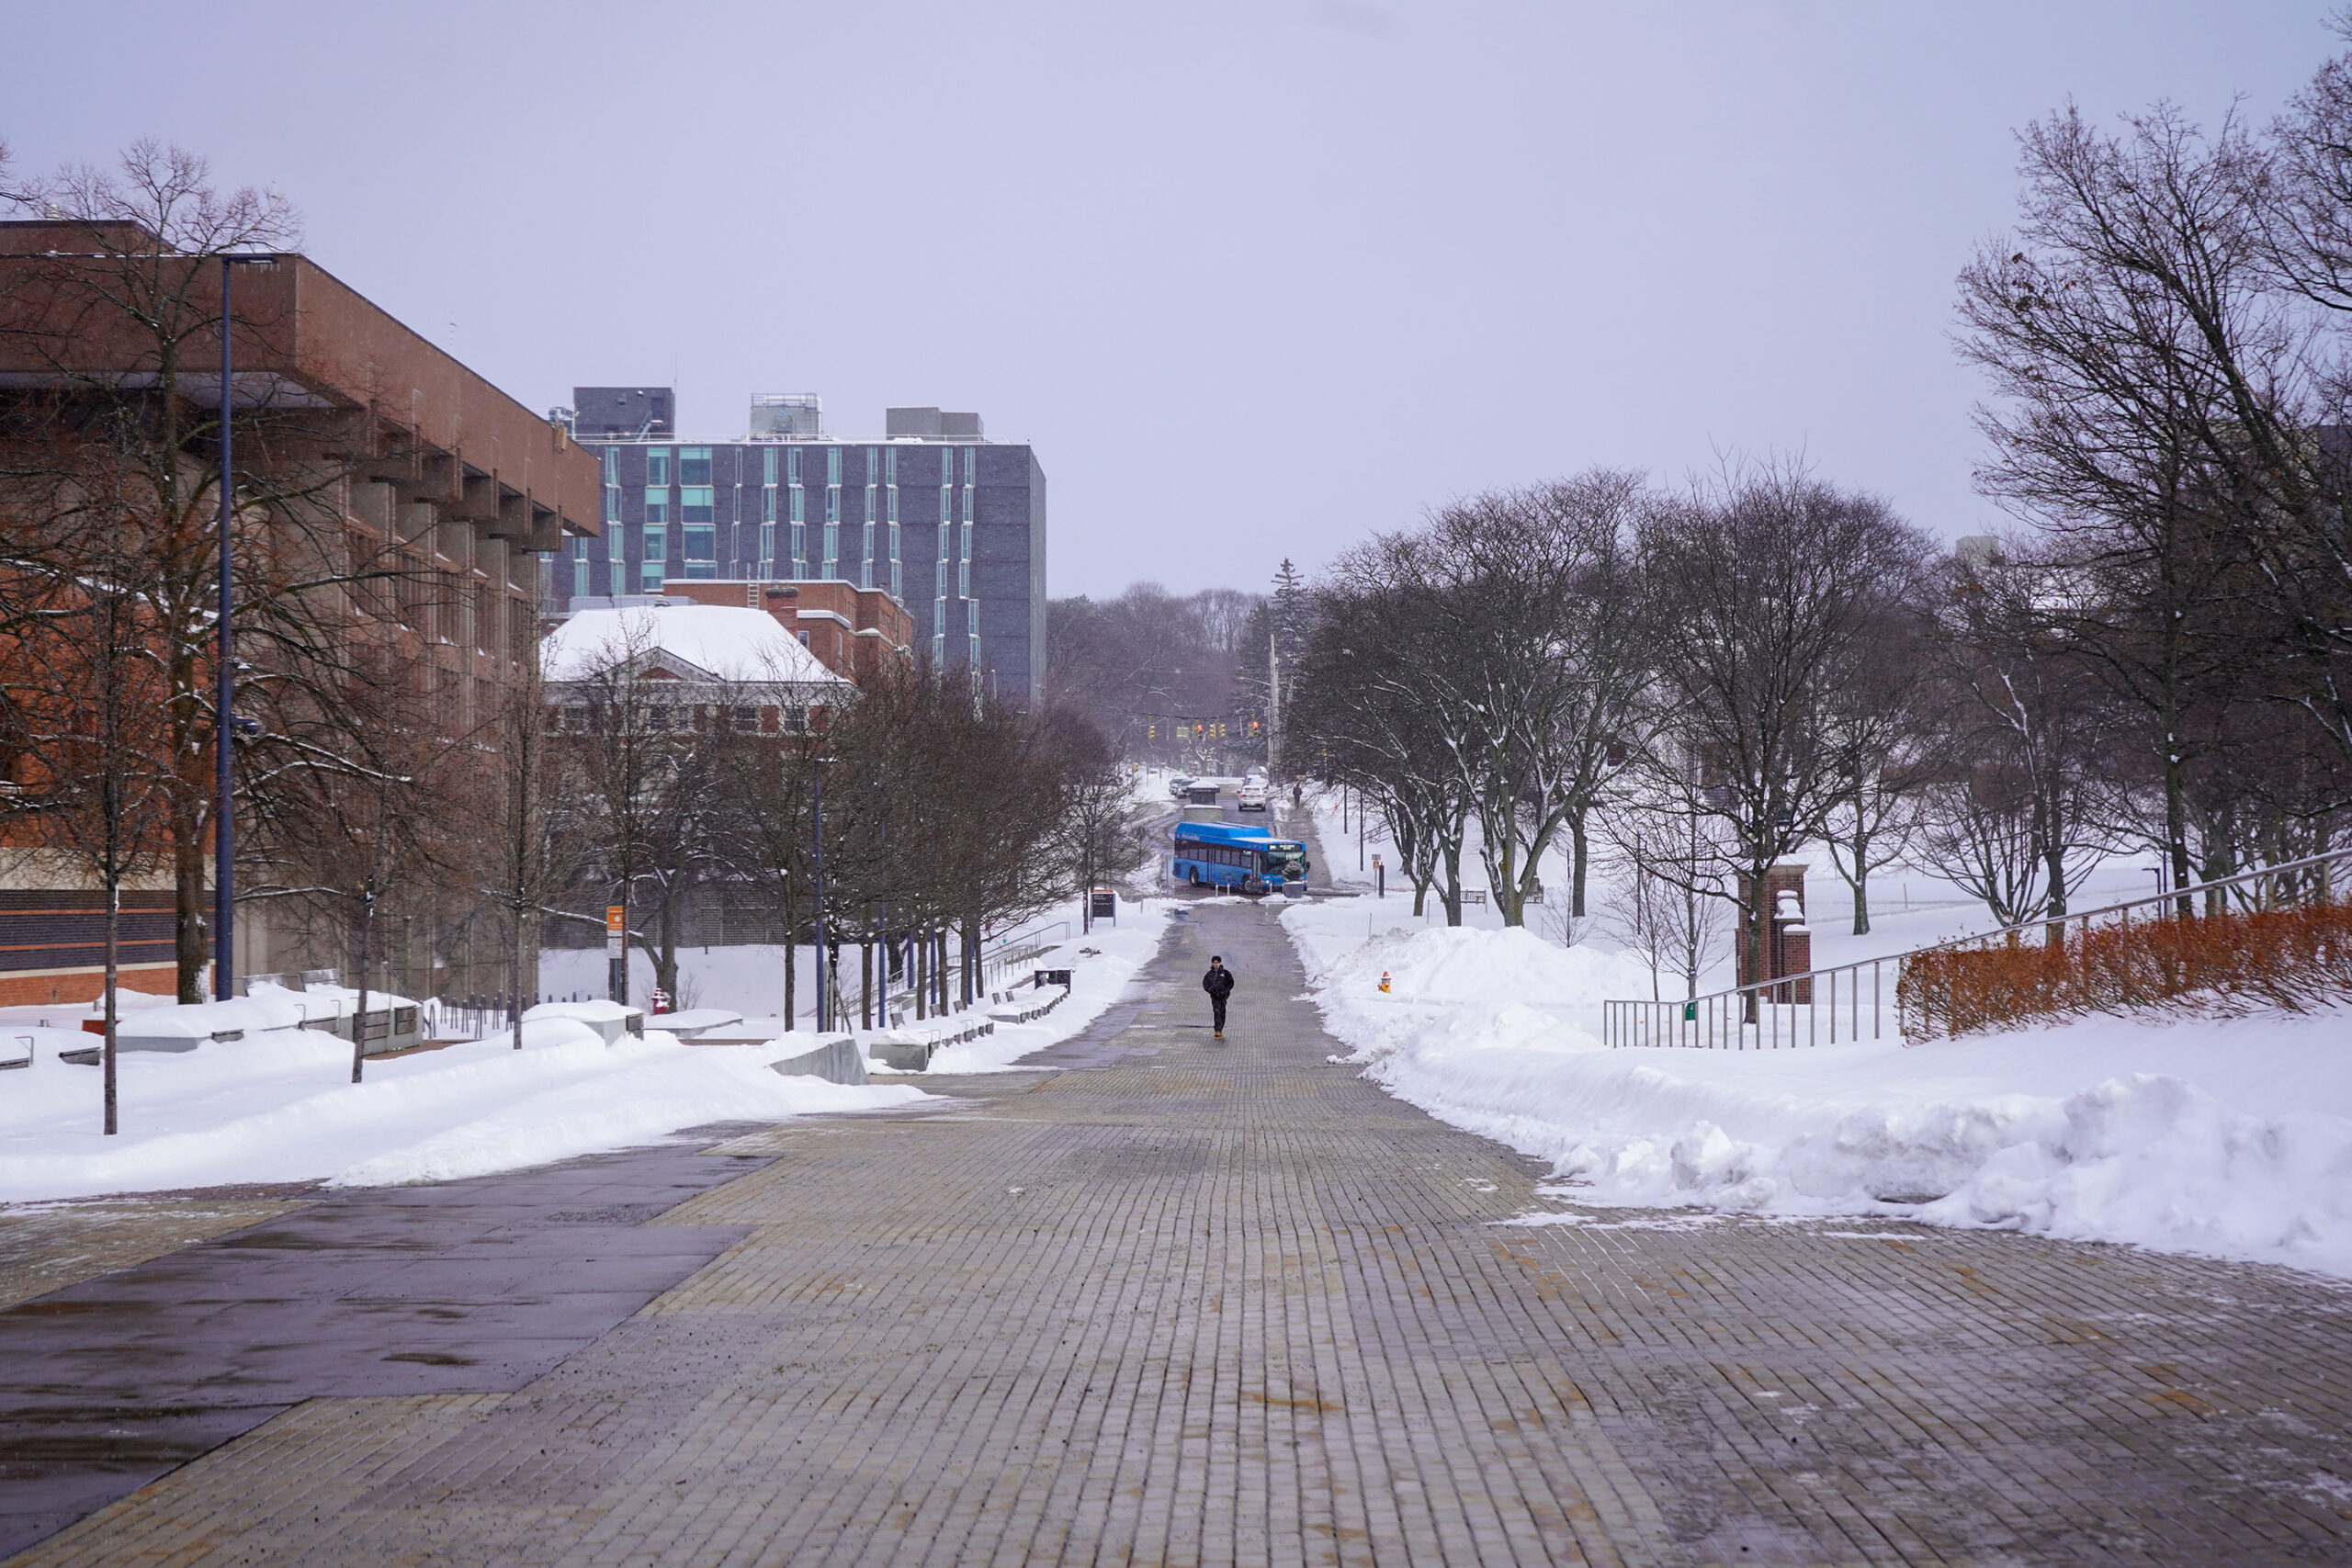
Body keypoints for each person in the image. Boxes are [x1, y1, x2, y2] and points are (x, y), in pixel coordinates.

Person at [1203, 954, 1235, 1039]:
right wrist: (1210, 990)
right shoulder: (1209, 974)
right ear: (1212, 963)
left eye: (1217, 962)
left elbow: (1231, 982)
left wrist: (1226, 990)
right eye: (1215, 963)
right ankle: (1218, 1030)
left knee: (1222, 1011)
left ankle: (1221, 1027)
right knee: (1216, 1011)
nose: (1216, 964)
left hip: (1223, 996)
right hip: (1214, 996)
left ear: (1220, 963)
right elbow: (1205, 983)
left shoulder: (1225, 973)